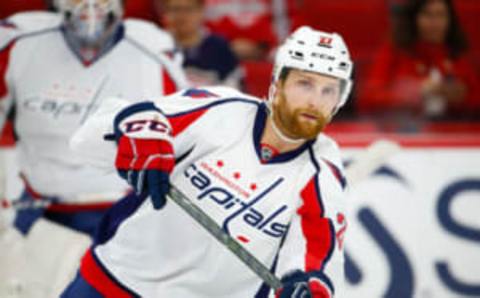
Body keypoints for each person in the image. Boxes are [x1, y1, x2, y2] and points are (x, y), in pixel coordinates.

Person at [62, 26, 352, 297]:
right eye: (305, 84)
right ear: (278, 83)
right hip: (114, 282)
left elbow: (318, 254)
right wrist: (136, 135)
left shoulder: (323, 172)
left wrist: (307, 284)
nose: (316, 101)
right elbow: (87, 140)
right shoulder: (220, 109)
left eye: (329, 90)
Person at [0, 0, 187, 296]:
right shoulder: (17, 39)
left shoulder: (153, 48)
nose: (89, 6)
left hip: (120, 214)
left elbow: (179, 137)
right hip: (33, 208)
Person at [358, 0, 480, 124]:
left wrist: (462, 97)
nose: (435, 23)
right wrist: (415, 92)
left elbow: (475, 98)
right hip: (403, 131)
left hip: (452, 131)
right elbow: (368, 98)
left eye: (441, 15)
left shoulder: (456, 54)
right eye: (428, 15)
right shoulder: (395, 51)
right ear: (414, 19)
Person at [158, 0, 243, 89]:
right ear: (164, 13)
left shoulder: (219, 47)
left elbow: (234, 90)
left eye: (188, 9)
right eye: (175, 9)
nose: (181, 15)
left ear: (201, 11)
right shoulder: (156, 46)